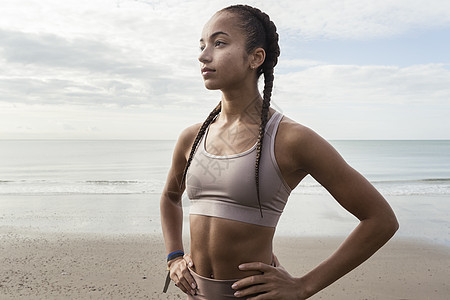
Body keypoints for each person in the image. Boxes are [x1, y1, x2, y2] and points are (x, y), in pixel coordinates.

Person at [160, 4, 399, 299]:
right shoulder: (192, 138)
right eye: (202, 45)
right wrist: (174, 256)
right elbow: (171, 197)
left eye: (219, 43)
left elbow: (380, 219)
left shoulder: (290, 140)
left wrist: (304, 285)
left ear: (255, 58)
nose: (203, 55)